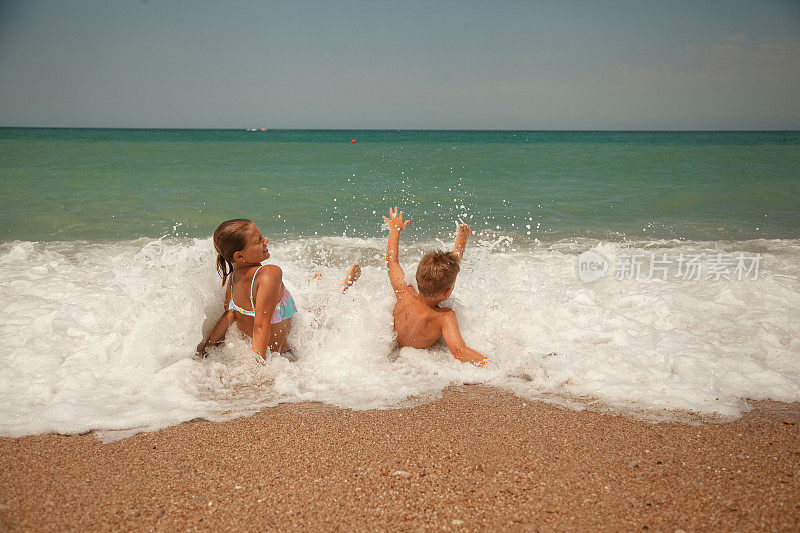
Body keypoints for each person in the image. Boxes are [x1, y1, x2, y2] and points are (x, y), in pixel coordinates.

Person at [196, 218, 361, 363]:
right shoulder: (270, 273)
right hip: (288, 351)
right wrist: (258, 367)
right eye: (258, 240)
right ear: (239, 256)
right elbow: (260, 325)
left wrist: (207, 349)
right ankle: (342, 288)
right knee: (317, 314)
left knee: (314, 281)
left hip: (272, 346)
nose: (266, 241)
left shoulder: (232, 279)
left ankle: (319, 285)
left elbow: (230, 315)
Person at [382, 207, 486, 365]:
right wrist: (496, 367)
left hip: (393, 353)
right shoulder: (444, 317)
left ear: (417, 279)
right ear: (447, 292)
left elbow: (392, 261)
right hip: (416, 361)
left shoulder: (404, 292)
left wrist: (395, 230)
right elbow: (459, 351)